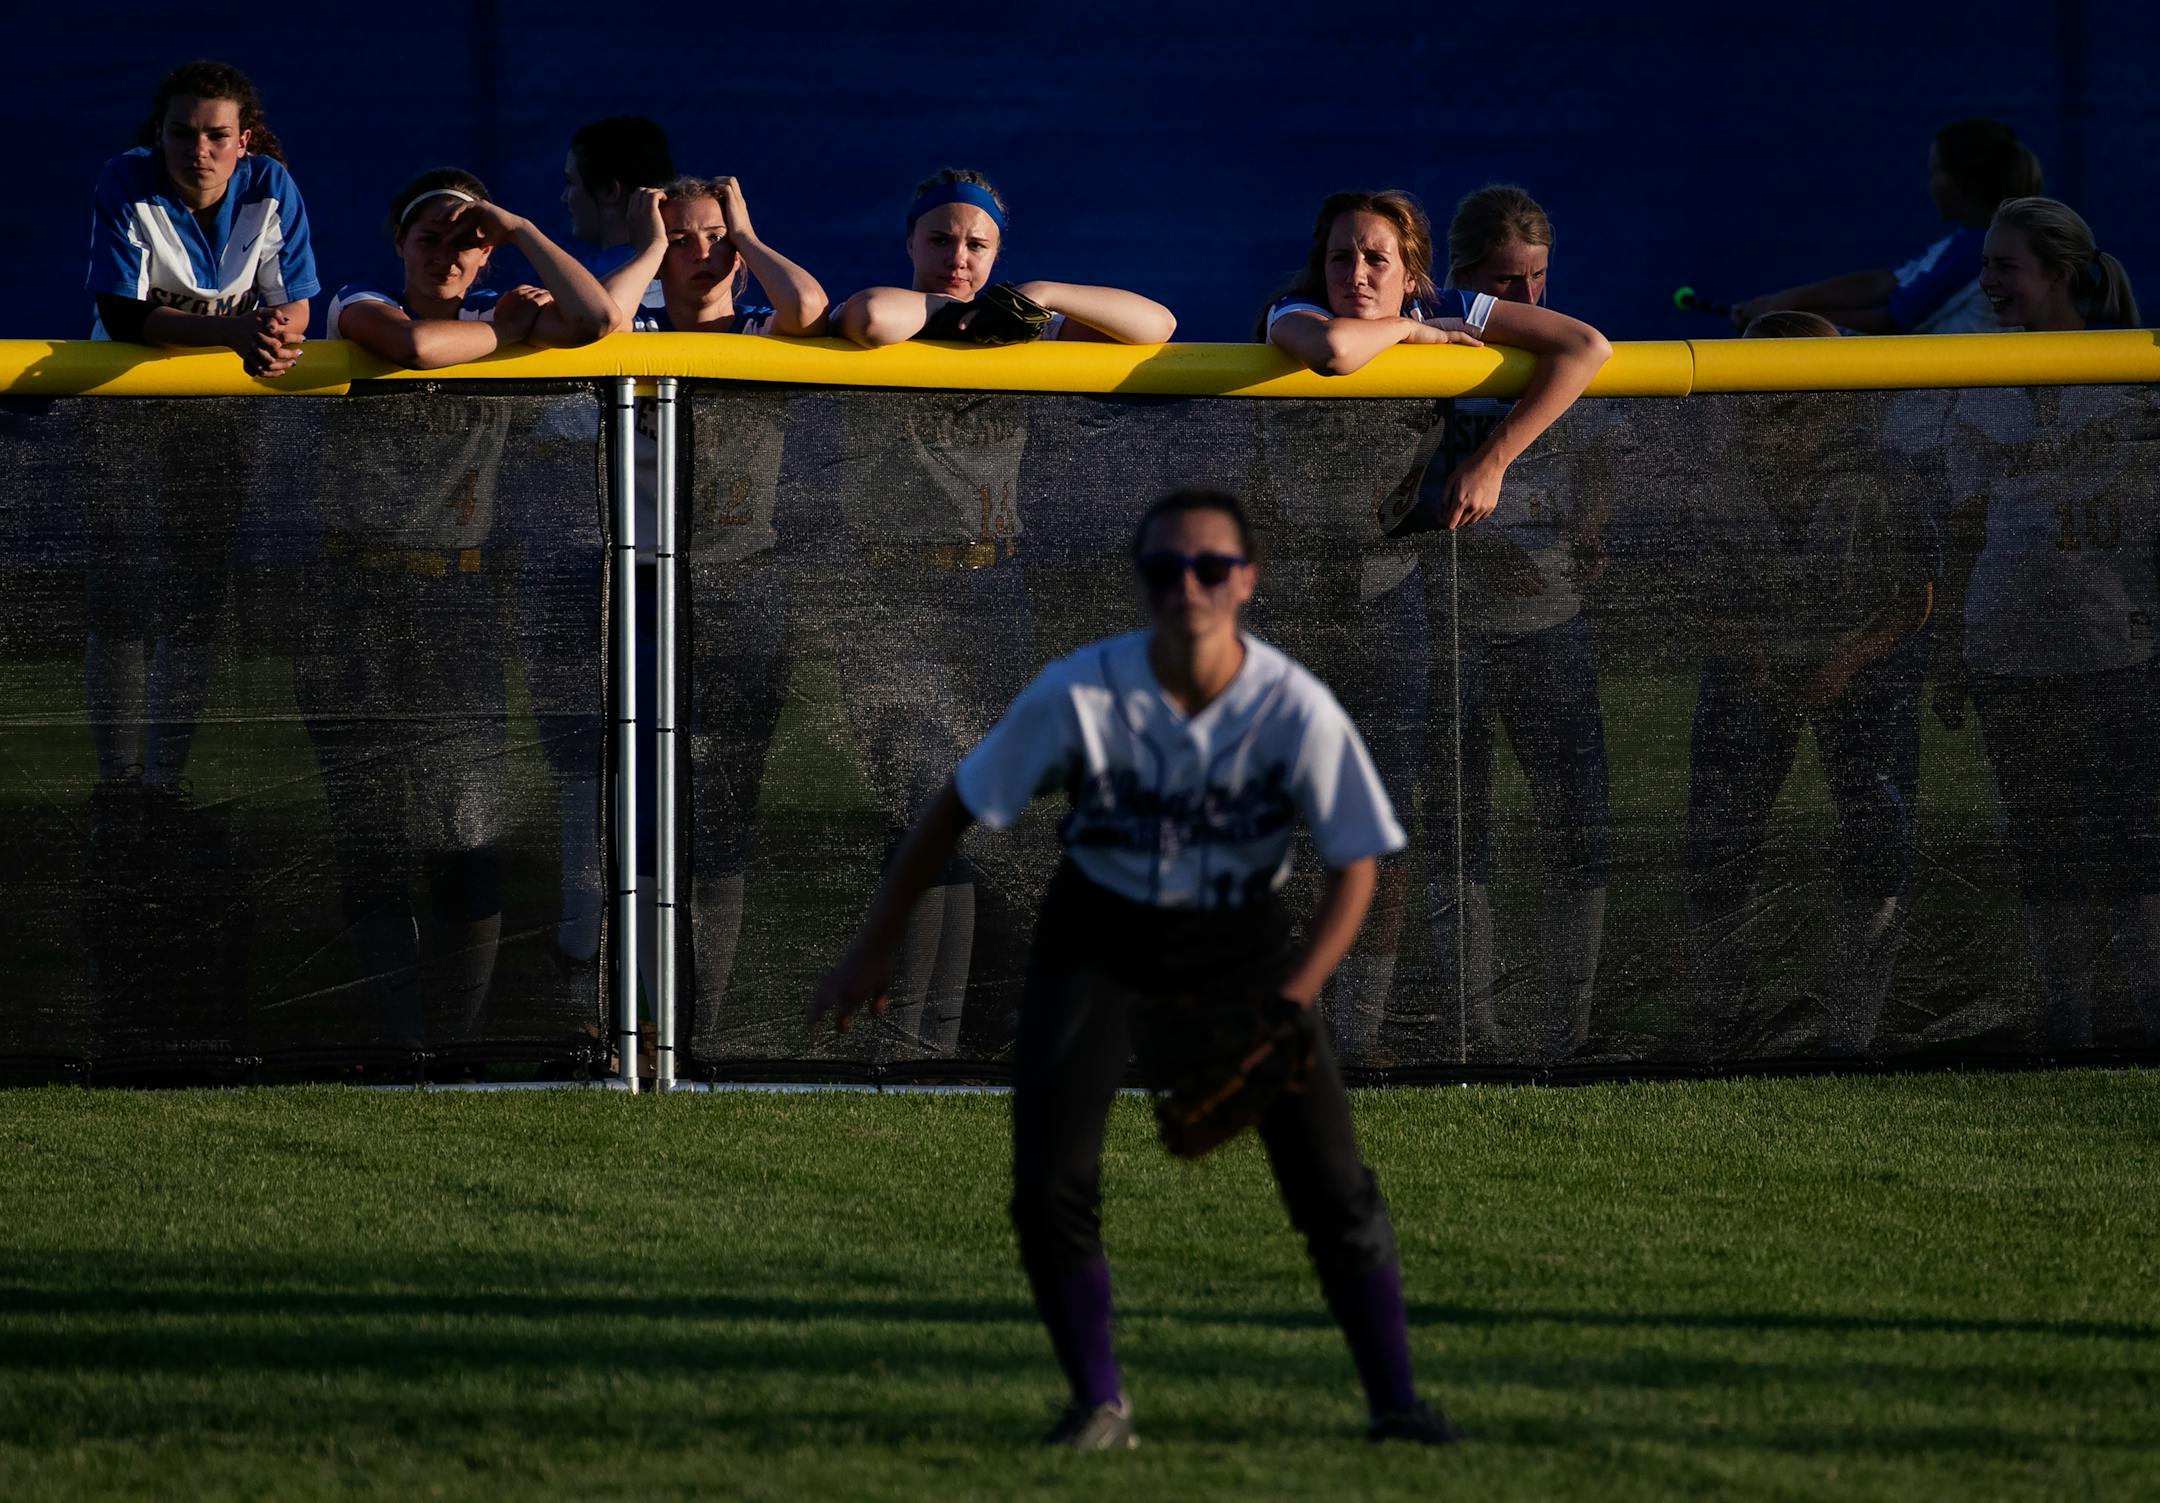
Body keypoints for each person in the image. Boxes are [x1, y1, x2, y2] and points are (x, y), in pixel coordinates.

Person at [812, 488, 1461, 1449]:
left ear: (1247, 581)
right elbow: (953, 806)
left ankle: (1398, 1404)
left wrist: (1291, 998)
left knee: (1334, 1186)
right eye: (1164, 569)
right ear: (1142, 583)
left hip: (1242, 942)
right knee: (1048, 1182)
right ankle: (1099, 1403)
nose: (1187, 586)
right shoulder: (1084, 691)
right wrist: (872, 943)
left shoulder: (1291, 706)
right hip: (1098, 934)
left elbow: (1359, 861)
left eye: (1209, 567)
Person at [1263, 187, 1610, 1061]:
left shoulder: (1455, 306)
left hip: (1391, 600)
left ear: (1412, 270)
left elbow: (1587, 347)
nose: (1355, 273)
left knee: (1386, 827)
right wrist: (1416, 335)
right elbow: (1338, 351)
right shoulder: (1300, 308)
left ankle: (1365, 1039)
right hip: (1293, 608)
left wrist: (1494, 459)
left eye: (1376, 258)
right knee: (1275, 830)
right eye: (1341, 256)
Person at [297, 168, 612, 1065]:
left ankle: (456, 1043)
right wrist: (504, 322)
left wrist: (518, 227)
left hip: (457, 598)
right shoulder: (360, 300)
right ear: (400, 244)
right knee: (368, 829)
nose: (447, 253)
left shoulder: (500, 317)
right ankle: (396, 1043)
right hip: (352, 598)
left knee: (464, 834)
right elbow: (416, 348)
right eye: (429, 237)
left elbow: (595, 320)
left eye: (466, 241)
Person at [77, 61, 321, 1041]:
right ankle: (115, 776)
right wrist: (239, 336)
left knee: (192, 594)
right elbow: (128, 314)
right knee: (120, 596)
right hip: (126, 398)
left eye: (219, 133)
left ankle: (160, 784)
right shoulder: (125, 180)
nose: (201, 150)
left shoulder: (273, 190)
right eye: (185, 133)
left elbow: (294, 301)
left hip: (219, 410)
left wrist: (278, 334)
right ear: (162, 134)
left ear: (247, 139)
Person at [1681, 313, 1939, 1056]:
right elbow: (1687, 592)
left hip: (1863, 664)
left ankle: (1850, 1022)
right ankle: (1721, 1015)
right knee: (1720, 835)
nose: (1770, 415)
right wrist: (1750, 652)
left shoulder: (1876, 472)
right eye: (1757, 396)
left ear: (1830, 399)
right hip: (1754, 661)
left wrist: (1846, 663)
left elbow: (1915, 594)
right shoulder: (1724, 478)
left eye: (1792, 400)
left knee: (1876, 828)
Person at [1933, 200, 2153, 1048]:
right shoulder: (1983, 381)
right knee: (2047, 853)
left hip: (2118, 650)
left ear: (2059, 273)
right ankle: (2070, 1021)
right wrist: (1950, 648)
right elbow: (1960, 528)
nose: (1989, 282)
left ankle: (2145, 1013)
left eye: (2006, 266)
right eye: (1985, 264)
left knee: (2135, 849)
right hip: (2012, 655)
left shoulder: (2132, 374)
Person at [1413, 184, 1618, 1063]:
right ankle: (1479, 1026)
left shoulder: (1542, 334)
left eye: (1537, 277)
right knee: (1458, 823)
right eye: (1507, 279)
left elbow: (1598, 439)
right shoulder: (1433, 321)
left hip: (1549, 618)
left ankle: (1567, 1023)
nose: (1527, 299)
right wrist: (1470, 520)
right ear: (1462, 275)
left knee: (1578, 818)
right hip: (1453, 617)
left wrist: (1591, 526)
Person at [632, 176, 828, 1028]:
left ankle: (700, 1021)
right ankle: (638, 1017)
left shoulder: (759, 330)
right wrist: (645, 252)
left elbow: (811, 306)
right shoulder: (628, 328)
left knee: (725, 807)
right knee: (639, 805)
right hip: (638, 585)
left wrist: (746, 227)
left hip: (743, 584)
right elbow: (600, 315)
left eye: (717, 237)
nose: (704, 252)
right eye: (683, 238)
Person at [1731, 119, 2043, 335]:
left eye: (1934, 171)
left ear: (1961, 182)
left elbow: (1892, 320)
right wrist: (1787, 302)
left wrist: (1783, 321)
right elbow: (1887, 283)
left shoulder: (1980, 250)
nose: (1930, 184)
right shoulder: (1970, 244)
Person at [829, 168, 1175, 346]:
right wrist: (950, 310)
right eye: (940, 241)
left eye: (976, 245)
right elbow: (872, 319)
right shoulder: (881, 310)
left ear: (996, 254)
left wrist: (1042, 293)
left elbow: (1158, 325)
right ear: (910, 245)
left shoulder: (1013, 324)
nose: (957, 258)